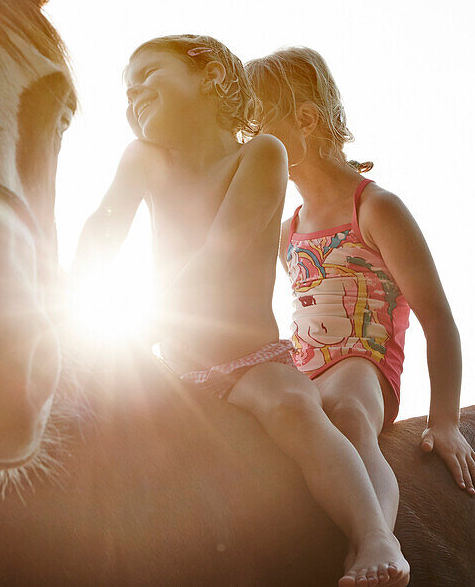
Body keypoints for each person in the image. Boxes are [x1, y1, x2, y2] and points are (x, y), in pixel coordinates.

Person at [74, 35, 408, 587]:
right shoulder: (143, 159)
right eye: (126, 91)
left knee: (296, 411)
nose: (133, 97)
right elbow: (103, 225)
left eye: (148, 76)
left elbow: (220, 252)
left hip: (250, 359)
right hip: (174, 369)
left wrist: (145, 324)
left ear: (208, 77)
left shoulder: (259, 154)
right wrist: (71, 299)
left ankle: (375, 536)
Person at [246, 46, 475, 534]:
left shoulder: (376, 208)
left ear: (307, 119)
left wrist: (445, 420)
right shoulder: (286, 230)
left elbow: (438, 319)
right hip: (304, 369)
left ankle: (378, 540)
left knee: (348, 417)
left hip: (364, 364)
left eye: (257, 126)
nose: (248, 143)